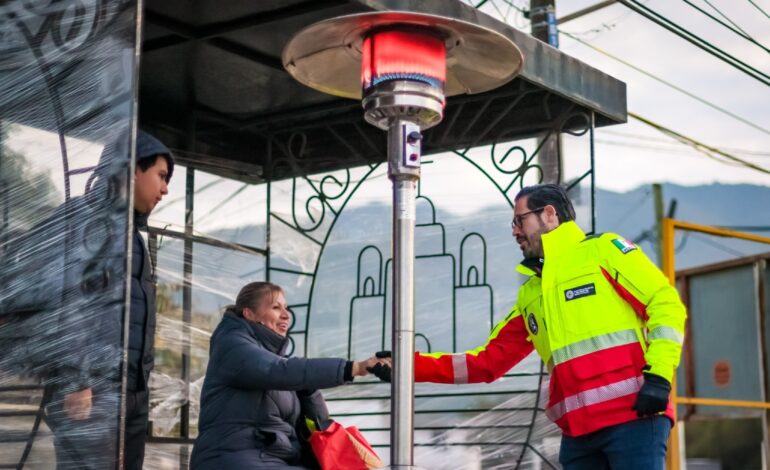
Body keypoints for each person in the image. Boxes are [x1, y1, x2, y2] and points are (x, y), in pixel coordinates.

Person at [369, 183, 687, 470]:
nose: (514, 232)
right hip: (578, 434)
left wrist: (659, 377)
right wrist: (408, 367)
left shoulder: (604, 251)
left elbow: (665, 304)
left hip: (634, 417)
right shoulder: (532, 293)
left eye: (519, 221)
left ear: (549, 215)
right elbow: (486, 363)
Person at [40, 130, 174, 470]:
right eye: (161, 176)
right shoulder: (87, 221)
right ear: (134, 169)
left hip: (130, 392)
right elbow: (66, 301)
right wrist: (76, 381)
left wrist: (140, 388)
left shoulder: (132, 236)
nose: (165, 189)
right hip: (92, 391)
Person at [190, 281, 389, 470]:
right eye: (276, 308)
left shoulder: (278, 362)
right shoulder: (232, 346)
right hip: (232, 458)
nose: (286, 315)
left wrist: (309, 389)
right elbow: (276, 370)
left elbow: (318, 423)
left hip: (271, 459)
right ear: (249, 314)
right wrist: (355, 368)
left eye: (286, 308)